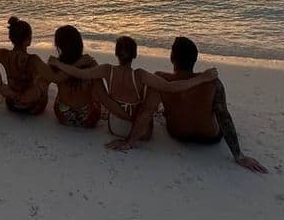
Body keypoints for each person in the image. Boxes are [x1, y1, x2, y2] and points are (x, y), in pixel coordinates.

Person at [114, 36, 267, 172]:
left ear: (172, 58)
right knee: (220, 110)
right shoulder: (212, 81)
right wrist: (239, 156)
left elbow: (146, 112)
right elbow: (224, 118)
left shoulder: (160, 79)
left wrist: (129, 142)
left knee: (157, 108)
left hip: (178, 134)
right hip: (210, 137)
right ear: (195, 60)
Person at [50, 35, 218, 147]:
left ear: (116, 54)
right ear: (135, 55)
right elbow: (171, 87)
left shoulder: (107, 70)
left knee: (94, 81)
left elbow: (79, 73)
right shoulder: (140, 75)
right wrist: (202, 78)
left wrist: (58, 64)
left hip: (114, 126)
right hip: (140, 130)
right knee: (151, 98)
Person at [49, 25, 101, 128]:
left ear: (58, 45)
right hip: (89, 117)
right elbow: (100, 91)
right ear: (79, 43)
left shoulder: (56, 64)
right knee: (95, 90)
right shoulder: (89, 62)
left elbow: (45, 81)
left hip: (63, 115)